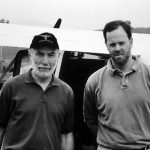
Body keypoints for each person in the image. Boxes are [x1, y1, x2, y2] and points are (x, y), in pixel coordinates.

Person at [0, 32, 74, 150]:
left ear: (58, 56)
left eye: (51, 55)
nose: (45, 61)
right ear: (30, 55)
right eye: (40, 54)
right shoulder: (11, 87)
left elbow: (66, 135)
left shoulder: (66, 92)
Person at [83, 20, 150, 150]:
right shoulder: (94, 81)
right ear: (106, 45)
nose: (117, 48)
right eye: (112, 44)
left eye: (121, 43)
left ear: (131, 42)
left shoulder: (148, 74)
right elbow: (90, 119)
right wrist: (108, 143)